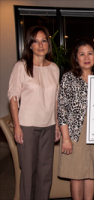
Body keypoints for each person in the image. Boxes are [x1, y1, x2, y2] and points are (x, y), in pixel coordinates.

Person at [7, 26, 60, 200]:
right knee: (29, 171)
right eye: (36, 41)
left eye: (44, 40)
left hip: (49, 126)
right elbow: (13, 97)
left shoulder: (54, 68)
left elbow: (55, 100)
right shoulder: (21, 66)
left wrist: (58, 126)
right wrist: (17, 126)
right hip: (27, 126)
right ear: (29, 44)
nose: (40, 44)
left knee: (45, 173)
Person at [57, 38, 94, 200]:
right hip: (75, 133)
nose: (86, 57)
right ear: (76, 58)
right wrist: (66, 138)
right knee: (76, 174)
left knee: (91, 173)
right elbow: (62, 109)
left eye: (90, 53)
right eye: (81, 54)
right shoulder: (68, 78)